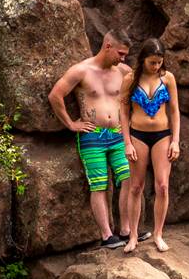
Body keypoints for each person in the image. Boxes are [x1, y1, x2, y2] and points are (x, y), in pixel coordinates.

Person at [48, 33, 136, 249]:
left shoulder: (124, 72)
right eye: (120, 53)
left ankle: (126, 230)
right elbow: (55, 95)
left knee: (128, 178)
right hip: (92, 135)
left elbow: (137, 95)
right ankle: (107, 235)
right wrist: (71, 123)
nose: (123, 59)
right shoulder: (81, 70)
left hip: (117, 134)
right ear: (108, 46)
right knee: (99, 184)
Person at [122, 40, 180, 253]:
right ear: (143, 59)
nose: (156, 66)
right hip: (137, 135)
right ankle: (133, 236)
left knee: (162, 186)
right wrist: (127, 143)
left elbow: (174, 111)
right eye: (152, 62)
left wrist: (175, 140)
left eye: (159, 62)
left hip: (162, 136)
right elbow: (123, 111)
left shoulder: (168, 78)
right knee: (135, 186)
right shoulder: (130, 79)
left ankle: (158, 233)